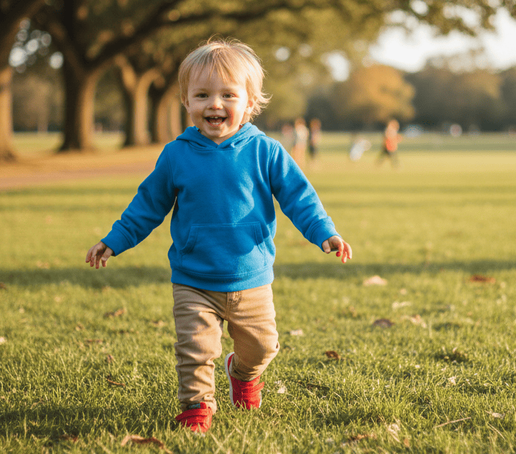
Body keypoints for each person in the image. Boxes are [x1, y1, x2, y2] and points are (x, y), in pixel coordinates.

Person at [85, 38, 352, 433]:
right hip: (193, 277)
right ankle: (196, 408)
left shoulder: (266, 151)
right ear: (186, 102)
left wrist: (324, 232)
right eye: (202, 94)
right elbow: (147, 205)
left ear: (249, 103)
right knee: (195, 350)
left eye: (228, 94)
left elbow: (299, 197)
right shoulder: (177, 155)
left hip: (252, 276)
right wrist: (115, 239)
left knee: (262, 348)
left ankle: (243, 375)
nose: (215, 103)